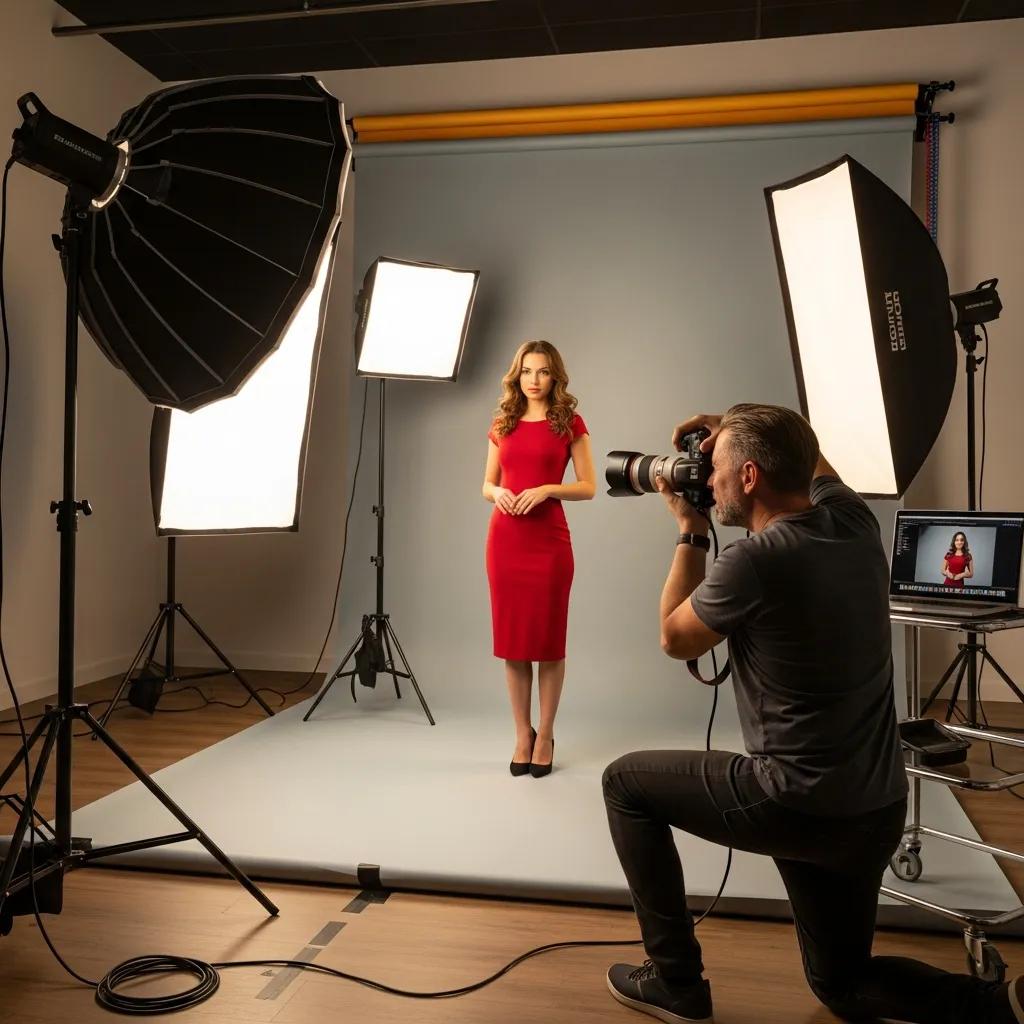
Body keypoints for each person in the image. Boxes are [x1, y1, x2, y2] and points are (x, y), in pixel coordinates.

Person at [602, 403, 1024, 1024]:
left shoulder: (752, 560)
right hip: (877, 806)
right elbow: (808, 456)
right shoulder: (854, 522)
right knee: (842, 987)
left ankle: (676, 984)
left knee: (624, 786)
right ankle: (1001, 1006)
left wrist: (689, 528)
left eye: (715, 467)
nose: (705, 478)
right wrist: (735, 421)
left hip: (794, 802)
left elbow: (675, 637)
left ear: (749, 476)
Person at [482, 340, 595, 777]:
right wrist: (501, 493)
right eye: (527, 371)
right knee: (513, 646)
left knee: (548, 644)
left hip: (548, 542)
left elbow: (587, 486)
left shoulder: (569, 421)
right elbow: (486, 485)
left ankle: (545, 734)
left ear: (555, 377)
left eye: (543, 372)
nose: (533, 379)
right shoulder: (503, 422)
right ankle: (521, 734)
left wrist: (548, 488)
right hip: (505, 539)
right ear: (517, 375)